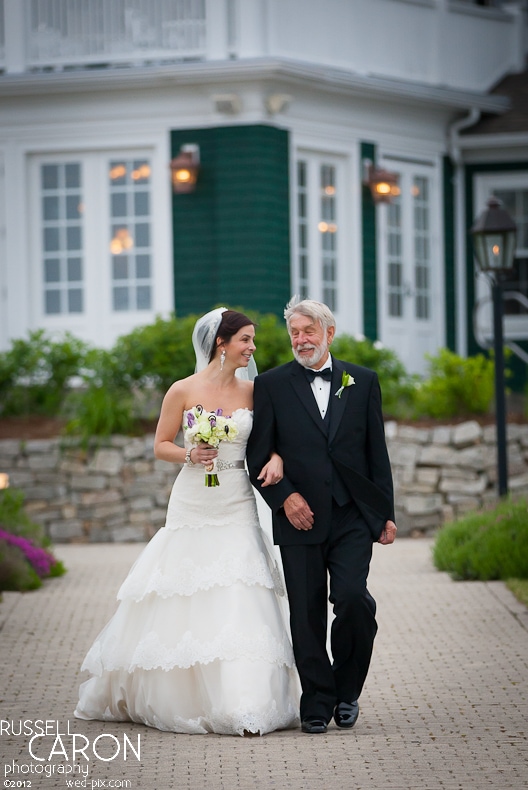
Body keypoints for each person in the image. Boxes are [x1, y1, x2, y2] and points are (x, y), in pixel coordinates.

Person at [74, 308, 300, 736]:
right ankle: (180, 693)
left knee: (239, 587)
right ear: (222, 343)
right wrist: (189, 454)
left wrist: (275, 457)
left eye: (252, 341)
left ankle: (244, 699)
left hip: (237, 498)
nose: (253, 348)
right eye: (246, 340)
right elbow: (160, 444)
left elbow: (277, 440)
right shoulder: (181, 390)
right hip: (193, 499)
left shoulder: (255, 392)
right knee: (183, 586)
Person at [247, 297, 397, 735]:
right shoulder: (272, 385)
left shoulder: (362, 381)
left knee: (352, 600)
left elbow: (376, 452)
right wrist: (285, 498)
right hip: (300, 516)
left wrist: (383, 513)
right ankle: (316, 700)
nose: (301, 340)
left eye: (309, 331)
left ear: (329, 333)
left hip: (352, 516)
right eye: (294, 332)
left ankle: (347, 691)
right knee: (306, 613)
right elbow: (259, 452)